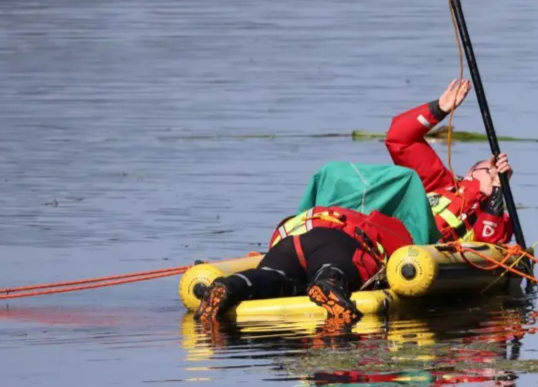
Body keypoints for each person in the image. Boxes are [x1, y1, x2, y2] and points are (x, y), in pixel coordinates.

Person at [194, 206, 414, 326]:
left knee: (271, 275)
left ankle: (232, 285)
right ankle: (329, 281)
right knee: (332, 266)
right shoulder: (377, 223)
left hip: (287, 243)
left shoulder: (311, 214)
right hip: (332, 240)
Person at [385, 79, 514, 245]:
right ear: (470, 173)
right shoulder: (438, 182)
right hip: (391, 243)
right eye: (488, 170)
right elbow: (399, 139)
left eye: (499, 175)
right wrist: (439, 109)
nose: (494, 173)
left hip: (432, 261)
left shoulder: (499, 218)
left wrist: (497, 189)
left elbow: (487, 239)